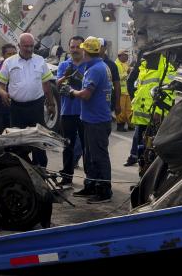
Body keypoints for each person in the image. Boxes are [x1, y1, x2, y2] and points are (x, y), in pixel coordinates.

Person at [0, 32, 56, 167]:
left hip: (36, 108)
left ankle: (41, 169)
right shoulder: (9, 62)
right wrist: (3, 93)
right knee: (17, 141)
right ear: (19, 46)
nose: (29, 49)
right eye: (25, 46)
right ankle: (20, 170)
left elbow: (46, 84)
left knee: (38, 141)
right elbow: (0, 85)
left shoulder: (40, 60)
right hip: (17, 109)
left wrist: (51, 104)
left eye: (31, 46)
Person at [66, 36, 113, 203]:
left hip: (96, 120)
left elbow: (86, 95)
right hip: (93, 118)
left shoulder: (94, 69)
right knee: (90, 154)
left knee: (99, 156)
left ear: (86, 51)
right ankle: (91, 185)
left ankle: (104, 191)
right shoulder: (99, 66)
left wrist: (70, 91)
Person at [126, 53, 176, 166]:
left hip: (155, 119)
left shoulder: (167, 66)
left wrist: (158, 111)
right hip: (141, 118)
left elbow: (169, 91)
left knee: (153, 154)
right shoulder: (143, 66)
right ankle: (142, 177)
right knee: (141, 152)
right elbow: (139, 90)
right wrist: (133, 110)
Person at [55, 36, 85, 186]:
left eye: (77, 47)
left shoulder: (88, 65)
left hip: (85, 112)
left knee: (87, 147)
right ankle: (67, 177)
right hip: (67, 112)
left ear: (83, 48)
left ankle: (91, 179)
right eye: (72, 47)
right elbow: (57, 84)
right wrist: (65, 77)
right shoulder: (64, 65)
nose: (74, 50)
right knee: (68, 146)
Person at [100, 40, 122, 121]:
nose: (97, 48)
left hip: (107, 101)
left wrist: (117, 104)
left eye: (100, 46)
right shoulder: (89, 62)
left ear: (105, 48)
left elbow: (117, 85)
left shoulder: (111, 65)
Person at [114, 50, 132, 131]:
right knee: (121, 110)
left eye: (127, 56)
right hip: (120, 92)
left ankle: (130, 124)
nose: (127, 57)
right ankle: (120, 125)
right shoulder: (116, 65)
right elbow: (116, 78)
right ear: (120, 56)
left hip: (126, 91)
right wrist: (127, 73)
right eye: (125, 55)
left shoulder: (125, 64)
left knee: (129, 109)